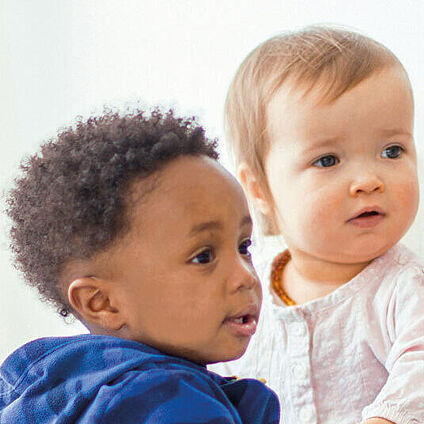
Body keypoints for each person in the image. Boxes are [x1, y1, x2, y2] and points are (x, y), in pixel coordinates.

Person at [0, 109, 280, 423]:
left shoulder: (44, 388)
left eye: (244, 246)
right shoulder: (172, 403)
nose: (245, 277)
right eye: (203, 256)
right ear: (101, 302)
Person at [209, 26, 424, 424]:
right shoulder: (242, 284)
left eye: (392, 151)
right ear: (259, 189)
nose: (368, 180)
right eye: (328, 160)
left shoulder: (404, 289)